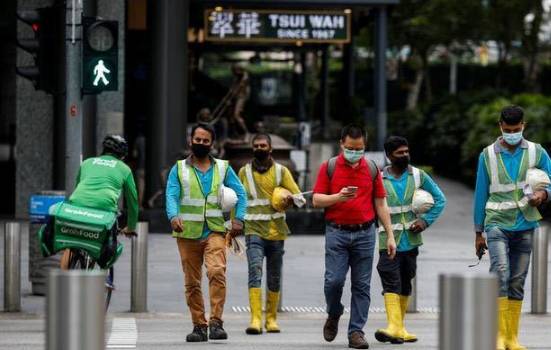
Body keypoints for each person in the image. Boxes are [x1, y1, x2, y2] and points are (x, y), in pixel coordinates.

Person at [312, 124, 397, 349]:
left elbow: (381, 203)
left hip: (365, 233)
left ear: (364, 147)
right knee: (334, 281)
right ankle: (334, 311)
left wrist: (389, 235)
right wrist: (338, 197)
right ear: (342, 144)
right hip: (337, 232)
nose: (354, 152)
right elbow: (317, 200)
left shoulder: (371, 168)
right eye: (350, 148)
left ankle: (356, 332)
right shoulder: (328, 167)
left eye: (359, 149)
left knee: (361, 286)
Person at [474, 105, 551, 350]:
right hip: (496, 222)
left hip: (526, 222)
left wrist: (542, 195)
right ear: (500, 126)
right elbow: (480, 193)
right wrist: (478, 232)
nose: (512, 134)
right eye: (508, 130)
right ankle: (497, 335)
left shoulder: (537, 152)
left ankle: (511, 338)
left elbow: (550, 182)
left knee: (517, 280)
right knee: (501, 272)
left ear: (523, 126)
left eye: (516, 130)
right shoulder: (487, 155)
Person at [165, 123, 247, 343]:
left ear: (212, 143)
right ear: (190, 141)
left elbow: (240, 192)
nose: (200, 143)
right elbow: (171, 195)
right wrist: (173, 216)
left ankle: (216, 323)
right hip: (187, 232)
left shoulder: (222, 168)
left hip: (215, 230)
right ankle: (199, 326)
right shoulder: (179, 169)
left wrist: (238, 219)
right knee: (191, 282)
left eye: (205, 140)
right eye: (197, 140)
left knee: (217, 271)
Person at [374, 136, 446, 344]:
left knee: (405, 283)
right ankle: (393, 326)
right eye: (399, 153)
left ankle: (399, 328)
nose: (405, 155)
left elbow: (440, 199)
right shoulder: (378, 179)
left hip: (411, 241)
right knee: (390, 279)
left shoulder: (418, 176)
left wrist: (425, 221)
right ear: (389, 156)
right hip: (388, 241)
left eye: (406, 151)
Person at [238, 133, 302, 335]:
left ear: (270, 148)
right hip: (253, 230)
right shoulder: (243, 172)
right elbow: (239, 200)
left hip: (276, 233)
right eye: (256, 145)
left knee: (274, 276)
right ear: (252, 148)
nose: (259, 148)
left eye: (263, 145)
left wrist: (290, 198)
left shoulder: (282, 172)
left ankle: (271, 319)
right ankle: (255, 318)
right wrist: (234, 224)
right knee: (255, 270)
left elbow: (300, 198)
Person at [59, 135, 139, 271]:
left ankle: (63, 282)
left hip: (76, 209)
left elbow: (78, 187)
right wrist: (131, 227)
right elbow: (133, 202)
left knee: (71, 244)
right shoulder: (124, 169)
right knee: (105, 244)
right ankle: (101, 278)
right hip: (103, 212)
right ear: (122, 155)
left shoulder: (86, 163)